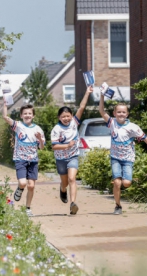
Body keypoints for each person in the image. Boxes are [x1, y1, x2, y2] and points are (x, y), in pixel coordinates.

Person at [99, 92, 147, 215]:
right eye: (118, 112)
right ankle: (118, 205)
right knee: (117, 182)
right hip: (115, 157)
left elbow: (144, 137)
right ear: (114, 113)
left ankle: (121, 185)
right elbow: (101, 111)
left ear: (127, 114)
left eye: (123, 112)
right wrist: (102, 96)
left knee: (126, 183)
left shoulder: (133, 127)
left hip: (128, 159)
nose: (121, 114)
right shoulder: (112, 123)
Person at [51, 86, 94, 215]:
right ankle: (62, 189)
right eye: (63, 117)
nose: (66, 119)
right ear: (59, 117)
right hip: (61, 159)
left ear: (71, 116)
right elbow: (54, 146)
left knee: (72, 179)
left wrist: (87, 92)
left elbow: (81, 107)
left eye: (68, 116)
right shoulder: (56, 129)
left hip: (73, 156)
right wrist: (67, 145)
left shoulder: (74, 123)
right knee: (65, 182)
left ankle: (72, 204)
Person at [3, 101, 45, 217]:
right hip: (20, 159)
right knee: (22, 183)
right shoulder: (18, 126)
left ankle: (28, 208)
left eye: (29, 113)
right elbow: (5, 117)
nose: (27, 115)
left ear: (33, 115)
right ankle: (20, 189)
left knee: (31, 186)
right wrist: (5, 105)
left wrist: (40, 139)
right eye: (25, 113)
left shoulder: (38, 129)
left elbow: (41, 147)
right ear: (21, 115)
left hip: (33, 161)